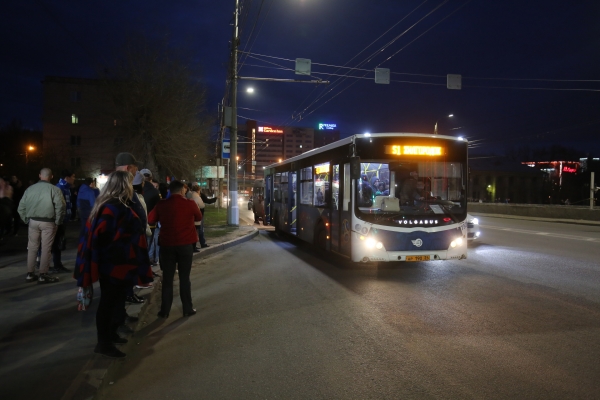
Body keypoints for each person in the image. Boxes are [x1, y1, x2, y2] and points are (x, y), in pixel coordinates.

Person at [74, 171, 153, 359]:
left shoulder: (108, 204)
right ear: (122, 186)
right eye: (128, 184)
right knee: (109, 303)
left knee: (114, 302)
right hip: (114, 264)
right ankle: (104, 343)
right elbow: (107, 237)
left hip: (116, 263)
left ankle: (110, 336)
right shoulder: (113, 207)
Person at [148, 180, 202, 318]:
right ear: (182, 190)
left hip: (167, 245)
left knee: (167, 278)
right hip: (185, 245)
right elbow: (198, 216)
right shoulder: (189, 204)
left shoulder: (162, 204)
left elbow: (151, 218)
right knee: (184, 278)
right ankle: (187, 308)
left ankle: (164, 311)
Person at [18, 168, 65, 284]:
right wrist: (58, 221)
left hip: (33, 221)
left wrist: (26, 219)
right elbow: (61, 207)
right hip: (48, 222)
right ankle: (43, 274)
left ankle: (30, 273)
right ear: (51, 176)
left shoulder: (30, 189)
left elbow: (21, 207)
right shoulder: (55, 189)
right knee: (46, 248)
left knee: (32, 247)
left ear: (40, 176)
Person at [50, 170, 75, 273]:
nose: (74, 179)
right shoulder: (59, 188)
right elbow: (59, 205)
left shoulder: (66, 188)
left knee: (59, 242)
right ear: (67, 178)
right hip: (59, 220)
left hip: (63, 219)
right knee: (56, 243)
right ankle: (56, 265)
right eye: (73, 176)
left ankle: (57, 264)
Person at [190, 185, 209, 250]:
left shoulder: (190, 195)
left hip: (191, 216)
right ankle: (197, 245)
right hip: (197, 216)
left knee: (193, 231)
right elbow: (202, 205)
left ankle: (193, 246)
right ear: (198, 190)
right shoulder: (197, 197)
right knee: (198, 231)